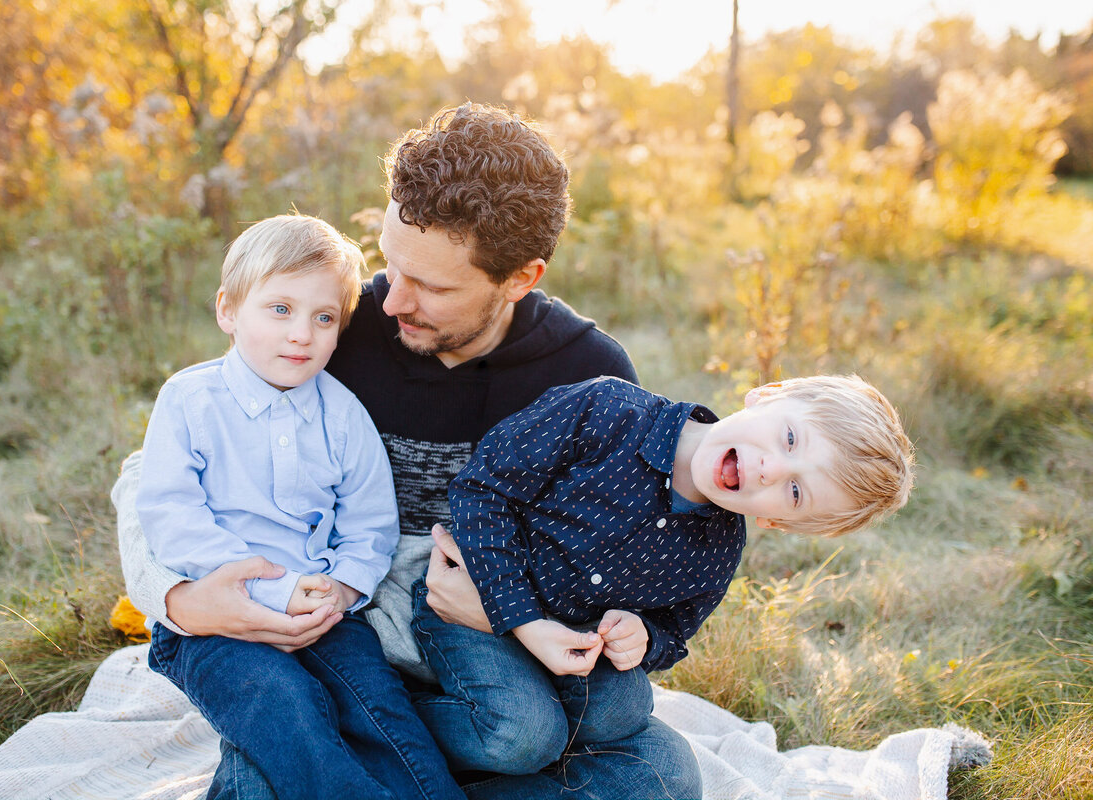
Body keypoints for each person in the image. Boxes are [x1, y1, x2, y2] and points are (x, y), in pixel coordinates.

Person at [112, 103, 702, 799]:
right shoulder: (335, 326)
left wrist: (512, 611)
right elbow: (160, 468)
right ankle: (343, 753)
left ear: (520, 279)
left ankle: (362, 763)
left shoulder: (587, 375)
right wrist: (179, 601)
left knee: (663, 776)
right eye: (392, 264)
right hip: (337, 634)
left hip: (495, 665)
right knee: (299, 715)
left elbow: (623, 553)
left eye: (431, 286)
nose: (392, 302)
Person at [411, 375, 915, 775]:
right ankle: (406, 721)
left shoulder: (718, 550)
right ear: (768, 395)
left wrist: (642, 638)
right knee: (522, 736)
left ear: (776, 521)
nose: (770, 469)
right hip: (474, 600)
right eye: (789, 438)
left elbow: (673, 632)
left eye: (795, 492)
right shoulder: (605, 410)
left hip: (568, 648)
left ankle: (524, 761)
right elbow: (483, 489)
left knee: (622, 710)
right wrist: (522, 620)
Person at [134, 213, 464, 800]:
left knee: (382, 714)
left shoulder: (342, 413)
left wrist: (339, 589)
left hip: (323, 613)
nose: (301, 335)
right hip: (214, 621)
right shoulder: (189, 400)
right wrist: (273, 589)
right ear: (228, 311)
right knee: (286, 704)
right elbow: (172, 516)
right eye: (279, 309)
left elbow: (371, 525)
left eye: (323, 318)